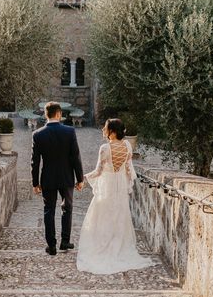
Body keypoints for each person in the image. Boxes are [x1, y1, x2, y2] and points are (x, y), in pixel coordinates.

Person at [77, 118, 154, 274]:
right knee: (119, 216)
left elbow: (98, 172)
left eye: (105, 128)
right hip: (119, 186)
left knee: (103, 216)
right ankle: (118, 245)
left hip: (108, 186)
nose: (103, 131)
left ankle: (103, 246)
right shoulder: (127, 146)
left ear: (111, 131)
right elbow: (128, 169)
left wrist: (83, 177)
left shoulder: (105, 148)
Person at [31, 101, 84, 255]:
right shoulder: (69, 132)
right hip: (66, 177)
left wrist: (35, 183)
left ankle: (51, 245)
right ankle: (65, 241)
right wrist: (80, 179)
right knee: (67, 208)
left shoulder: (38, 134)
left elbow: (35, 161)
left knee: (49, 211)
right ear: (59, 114)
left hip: (47, 178)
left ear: (46, 115)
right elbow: (76, 157)